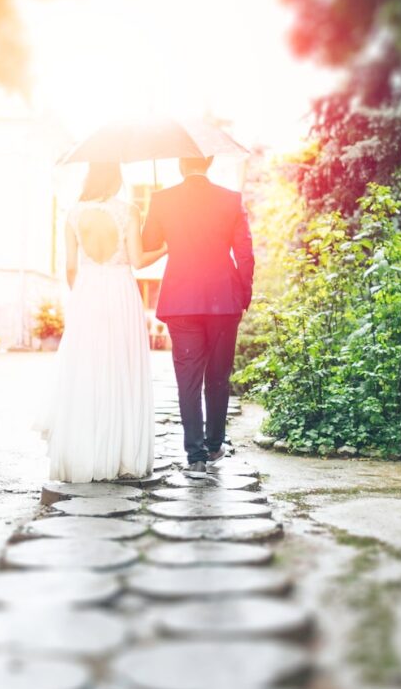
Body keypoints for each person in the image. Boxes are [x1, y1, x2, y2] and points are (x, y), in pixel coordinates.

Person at [43, 162, 167, 481]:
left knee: (86, 368)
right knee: (121, 365)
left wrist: (83, 294)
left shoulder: (73, 213)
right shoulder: (129, 211)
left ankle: (84, 452)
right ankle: (122, 454)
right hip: (120, 290)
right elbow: (138, 261)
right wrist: (166, 247)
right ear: (116, 180)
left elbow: (70, 267)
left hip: (87, 291)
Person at [142, 155, 255, 472]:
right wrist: (243, 297)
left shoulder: (162, 199)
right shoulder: (231, 200)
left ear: (179, 164)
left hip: (181, 300)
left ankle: (195, 455)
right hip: (224, 300)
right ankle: (215, 445)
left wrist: (158, 215)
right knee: (218, 376)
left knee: (187, 378)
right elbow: (245, 253)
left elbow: (148, 242)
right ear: (210, 162)